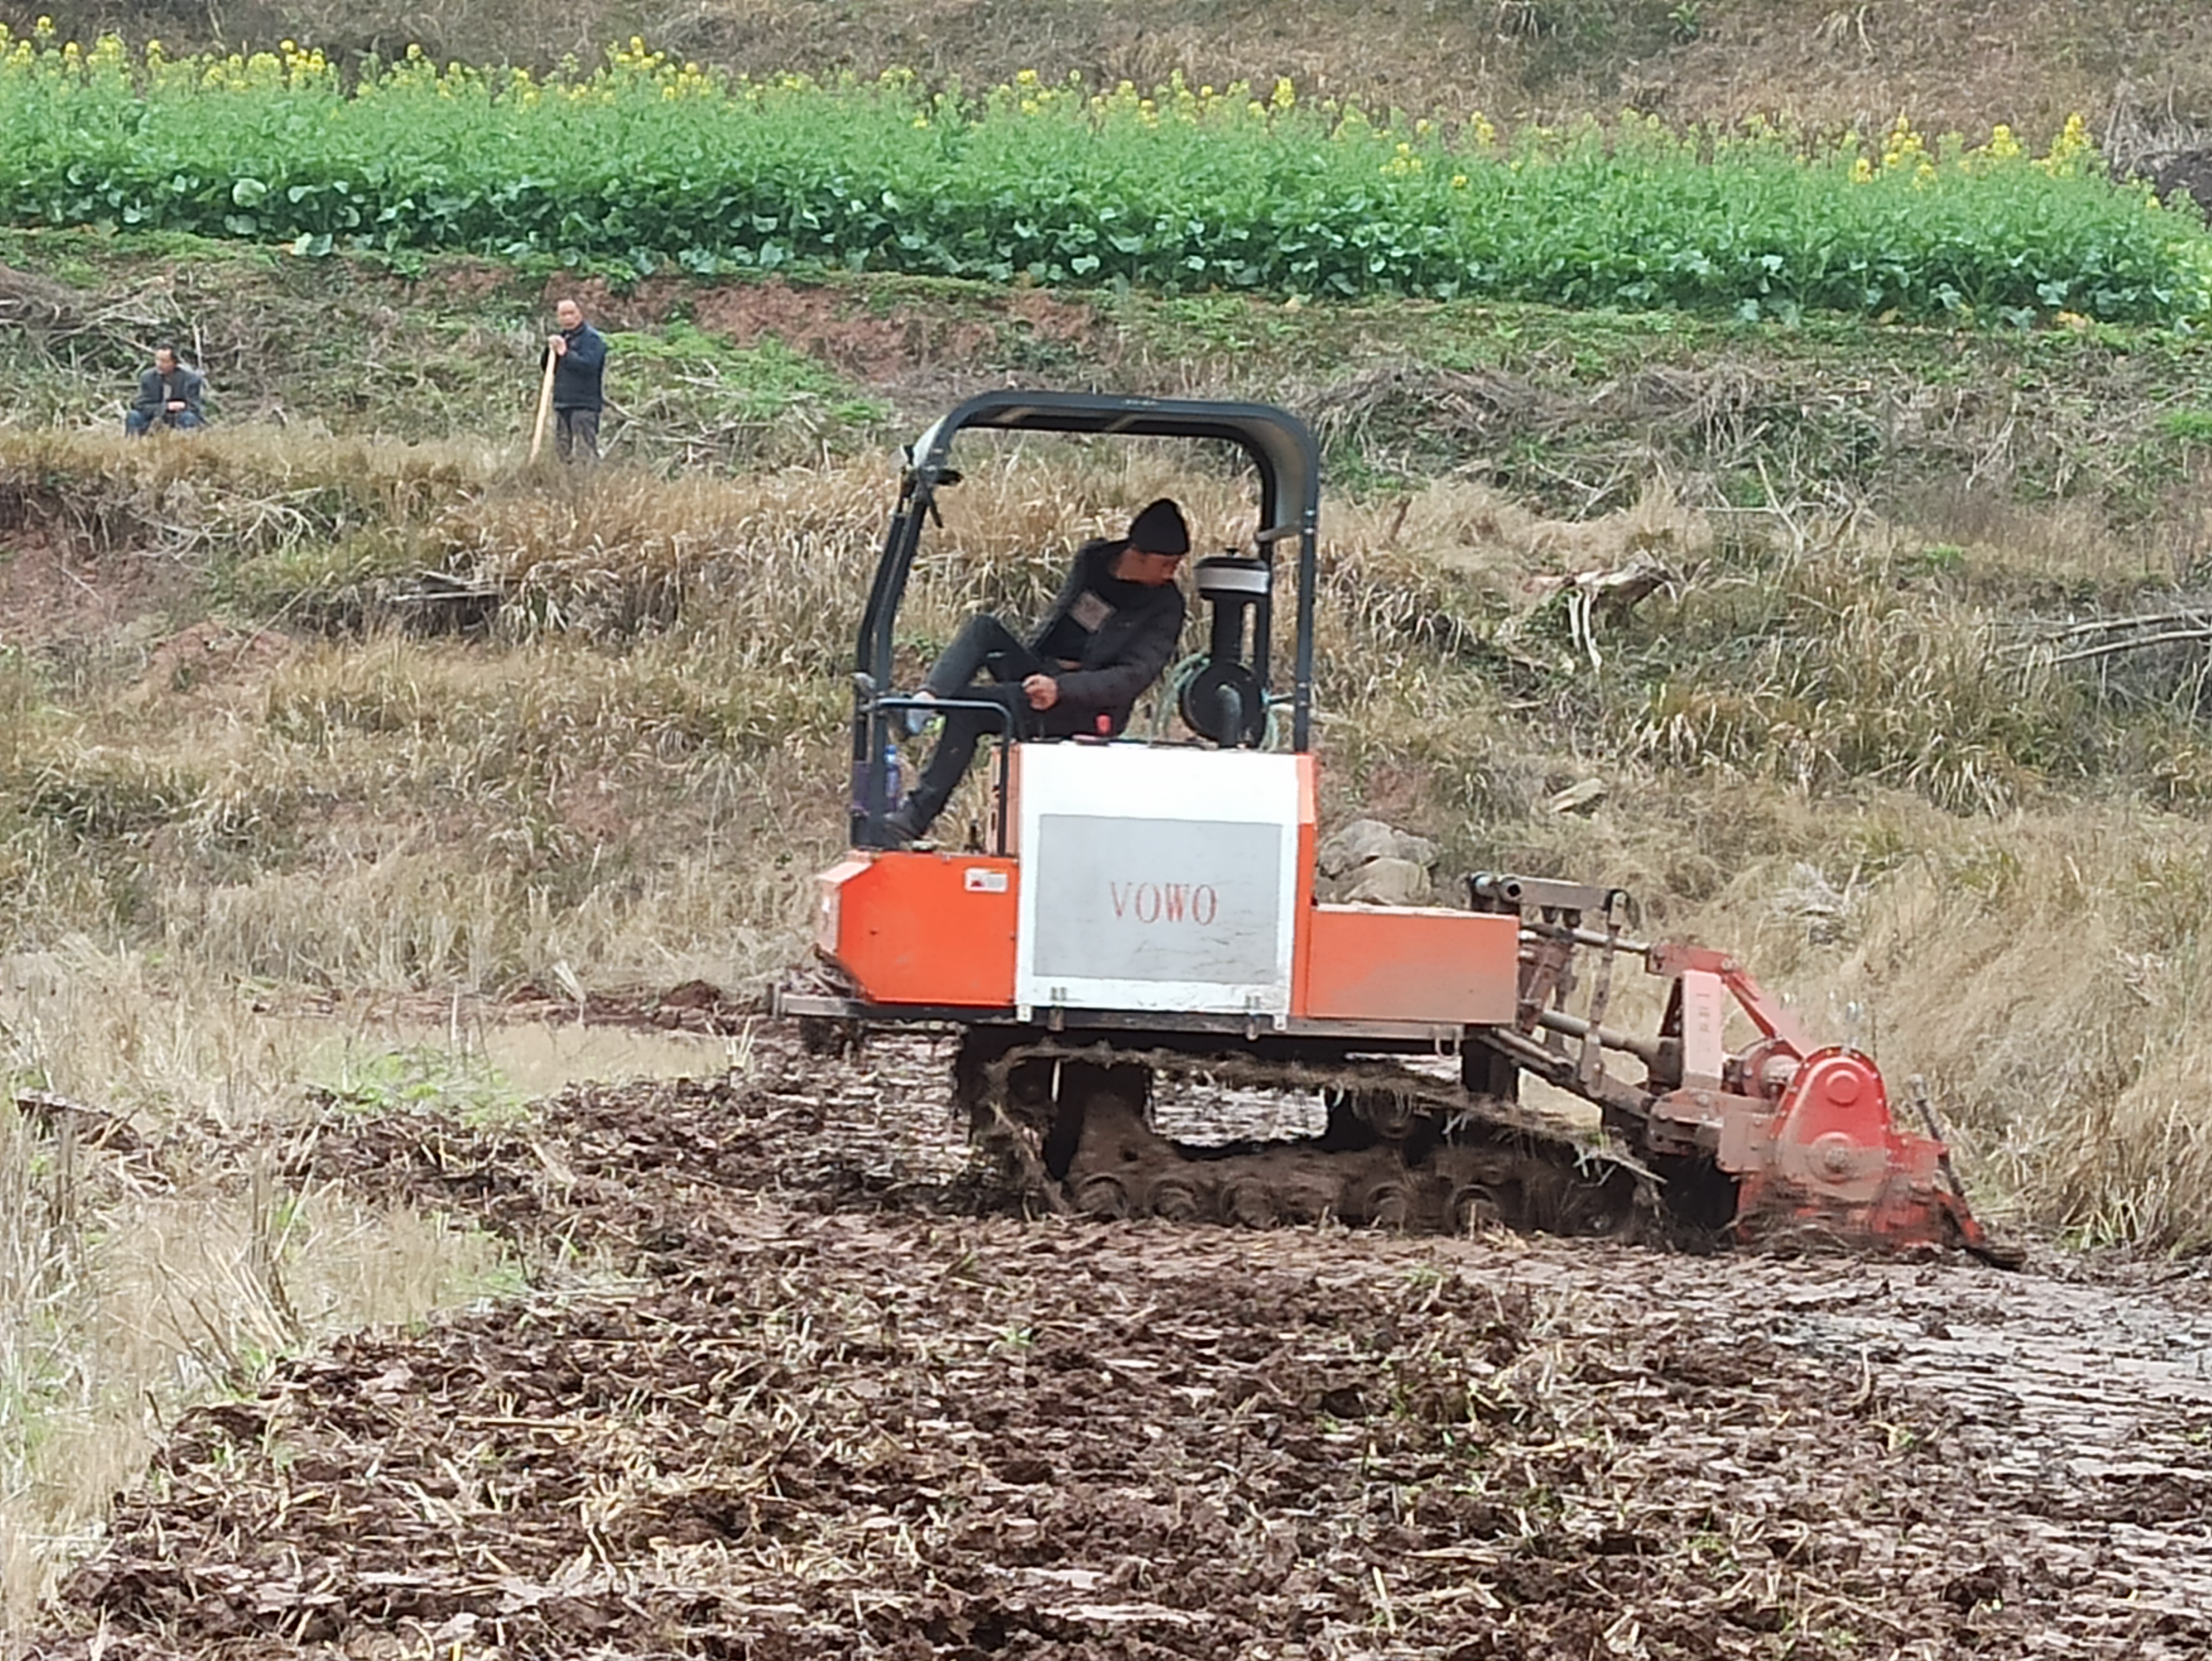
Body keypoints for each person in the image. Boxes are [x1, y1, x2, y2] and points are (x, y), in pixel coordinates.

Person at [885, 498, 1191, 843]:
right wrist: (1046, 673)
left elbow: (1132, 678)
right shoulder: (1095, 561)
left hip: (1087, 706)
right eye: (1166, 564)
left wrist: (1064, 689)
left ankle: (912, 819)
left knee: (974, 711)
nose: (1172, 574)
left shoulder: (1167, 605)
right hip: (1042, 672)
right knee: (984, 629)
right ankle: (923, 704)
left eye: (1177, 564)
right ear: (1136, 554)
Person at [545, 298, 608, 464]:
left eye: (571, 313)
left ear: (580, 314)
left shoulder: (592, 339)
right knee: (562, 452)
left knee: (584, 452)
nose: (568, 318)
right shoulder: (563, 338)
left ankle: (589, 486)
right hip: (563, 403)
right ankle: (564, 486)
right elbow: (548, 368)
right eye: (563, 315)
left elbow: (589, 366)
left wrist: (565, 354)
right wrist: (550, 350)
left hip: (584, 405)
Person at [124, 345, 206, 436]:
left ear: (174, 363)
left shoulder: (190, 379)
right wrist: (166, 407)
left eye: (164, 361)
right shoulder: (147, 377)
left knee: (189, 418)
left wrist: (184, 406)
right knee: (134, 416)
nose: (159, 364)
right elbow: (141, 405)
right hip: (153, 416)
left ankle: (188, 446)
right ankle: (132, 445)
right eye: (157, 360)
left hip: (179, 416)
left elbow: (195, 407)